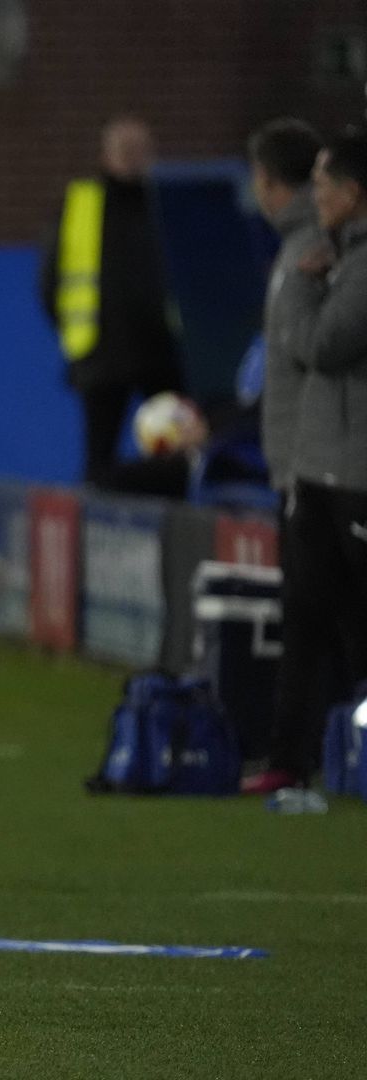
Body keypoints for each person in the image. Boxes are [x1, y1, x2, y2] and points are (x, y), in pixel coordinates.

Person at [243, 129, 367, 798]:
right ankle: (297, 757)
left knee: (346, 628)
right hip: (319, 469)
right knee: (314, 619)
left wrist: (299, 288)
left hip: (344, 475)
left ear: (353, 194)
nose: (314, 196)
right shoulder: (335, 257)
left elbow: (319, 346)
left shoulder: (339, 264)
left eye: (325, 186)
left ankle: (328, 755)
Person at [38, 115, 184, 487]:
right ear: (105, 155)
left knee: (177, 454)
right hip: (101, 355)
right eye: (124, 150)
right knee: (98, 462)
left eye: (140, 150)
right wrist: (75, 335)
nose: (133, 158)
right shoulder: (80, 203)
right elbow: (51, 280)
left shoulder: (169, 201)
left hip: (163, 353)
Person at [248, 119, 325, 495]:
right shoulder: (300, 244)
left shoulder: (311, 249)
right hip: (303, 464)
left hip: (310, 469)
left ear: (265, 178)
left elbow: (315, 350)